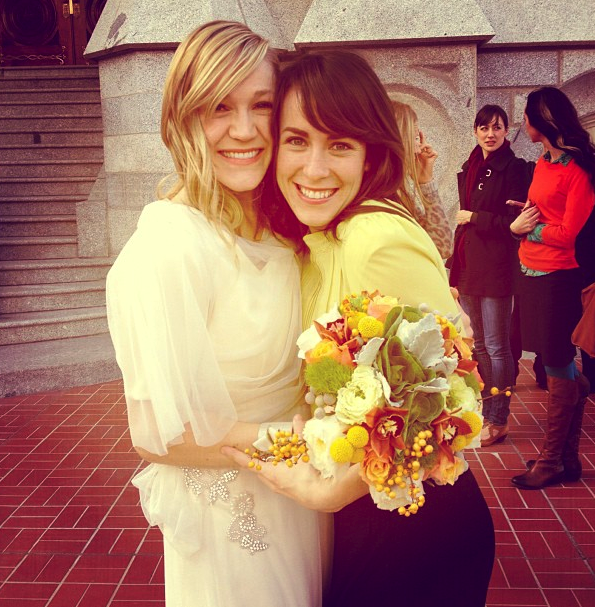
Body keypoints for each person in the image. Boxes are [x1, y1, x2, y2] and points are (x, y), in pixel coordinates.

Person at [225, 49, 495, 607]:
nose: (314, 168)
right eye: (297, 140)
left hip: (416, 527)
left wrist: (331, 494)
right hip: (368, 517)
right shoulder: (318, 238)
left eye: (340, 144)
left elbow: (453, 398)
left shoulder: (375, 238)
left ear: (371, 153)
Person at [105, 21, 324, 607]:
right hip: (236, 522)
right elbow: (158, 436)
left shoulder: (282, 224)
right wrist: (307, 442)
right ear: (183, 117)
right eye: (219, 107)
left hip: (304, 503)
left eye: (262, 106)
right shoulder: (169, 245)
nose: (245, 130)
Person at [509, 86, 595, 490]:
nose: (523, 123)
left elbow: (568, 233)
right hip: (531, 271)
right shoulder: (544, 161)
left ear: (540, 121)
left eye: (526, 116)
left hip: (560, 277)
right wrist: (526, 216)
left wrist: (530, 229)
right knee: (557, 364)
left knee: (559, 364)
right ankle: (567, 459)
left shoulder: (578, 169)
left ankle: (550, 461)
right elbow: (546, 212)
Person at [447, 105, 531, 447]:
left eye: (497, 127)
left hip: (496, 266)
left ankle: (499, 419)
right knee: (480, 344)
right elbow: (463, 223)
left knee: (498, 347)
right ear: (475, 131)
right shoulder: (470, 167)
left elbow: (515, 225)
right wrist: (454, 268)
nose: (490, 134)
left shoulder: (514, 168)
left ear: (507, 130)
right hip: (469, 265)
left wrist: (474, 217)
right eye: (484, 128)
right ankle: (485, 410)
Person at [392, 100, 454, 258]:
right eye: (414, 138)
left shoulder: (399, 192)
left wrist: (426, 181)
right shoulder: (385, 198)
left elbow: (443, 247)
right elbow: (443, 248)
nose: (419, 149)